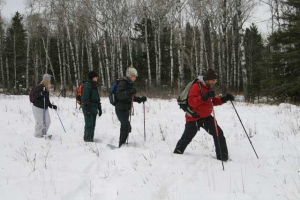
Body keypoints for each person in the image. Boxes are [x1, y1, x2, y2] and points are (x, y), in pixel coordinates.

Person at [173, 68, 235, 161]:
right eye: (213, 80)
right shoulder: (196, 86)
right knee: (186, 138)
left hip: (206, 118)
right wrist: (204, 96)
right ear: (208, 79)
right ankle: (177, 154)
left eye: (216, 80)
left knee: (218, 134)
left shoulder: (208, 88)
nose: (215, 82)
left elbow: (213, 101)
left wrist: (225, 99)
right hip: (194, 118)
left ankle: (223, 158)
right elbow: (192, 102)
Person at [115, 67, 147, 148]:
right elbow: (119, 95)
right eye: (134, 76)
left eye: (136, 76)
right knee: (126, 126)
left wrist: (140, 99)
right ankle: (121, 145)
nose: (136, 77)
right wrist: (130, 92)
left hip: (126, 108)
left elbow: (130, 97)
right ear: (130, 75)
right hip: (120, 108)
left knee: (124, 126)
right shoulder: (123, 83)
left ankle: (121, 144)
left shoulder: (130, 83)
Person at [81, 71, 102, 142]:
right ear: (93, 77)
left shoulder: (94, 85)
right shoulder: (87, 85)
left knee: (93, 124)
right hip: (88, 107)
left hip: (94, 107)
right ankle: (87, 139)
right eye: (96, 77)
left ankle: (91, 138)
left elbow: (97, 97)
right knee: (89, 124)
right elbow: (84, 98)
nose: (97, 78)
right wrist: (87, 109)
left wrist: (99, 107)